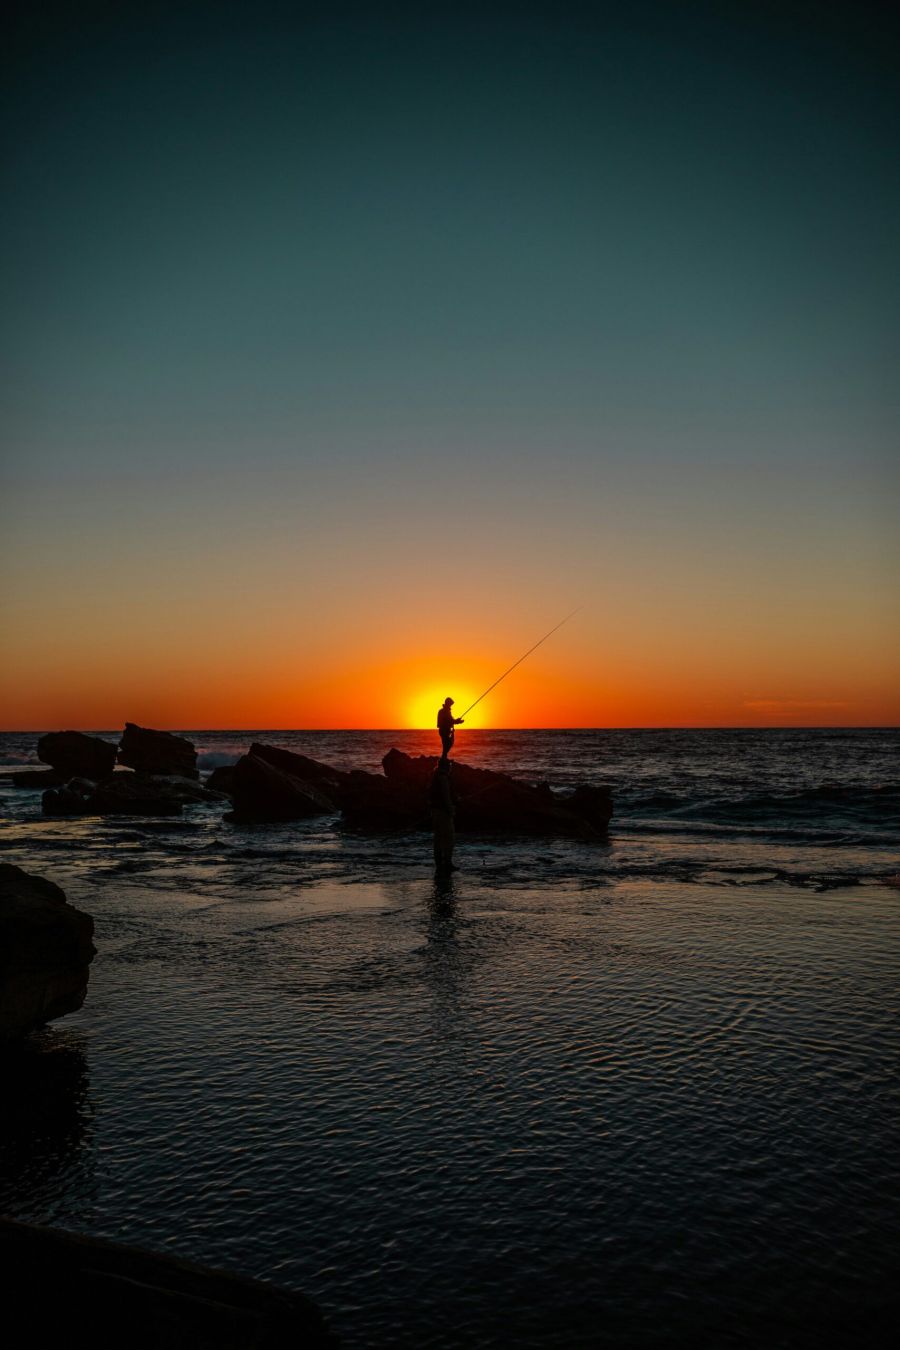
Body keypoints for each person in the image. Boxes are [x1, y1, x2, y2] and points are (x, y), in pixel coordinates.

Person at [429, 756, 457, 871]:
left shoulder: (435, 776)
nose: (451, 767)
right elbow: (446, 796)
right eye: (450, 765)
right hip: (443, 812)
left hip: (435, 812)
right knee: (448, 838)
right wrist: (451, 809)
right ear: (446, 766)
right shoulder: (443, 778)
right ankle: (448, 864)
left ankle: (439, 864)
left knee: (438, 839)